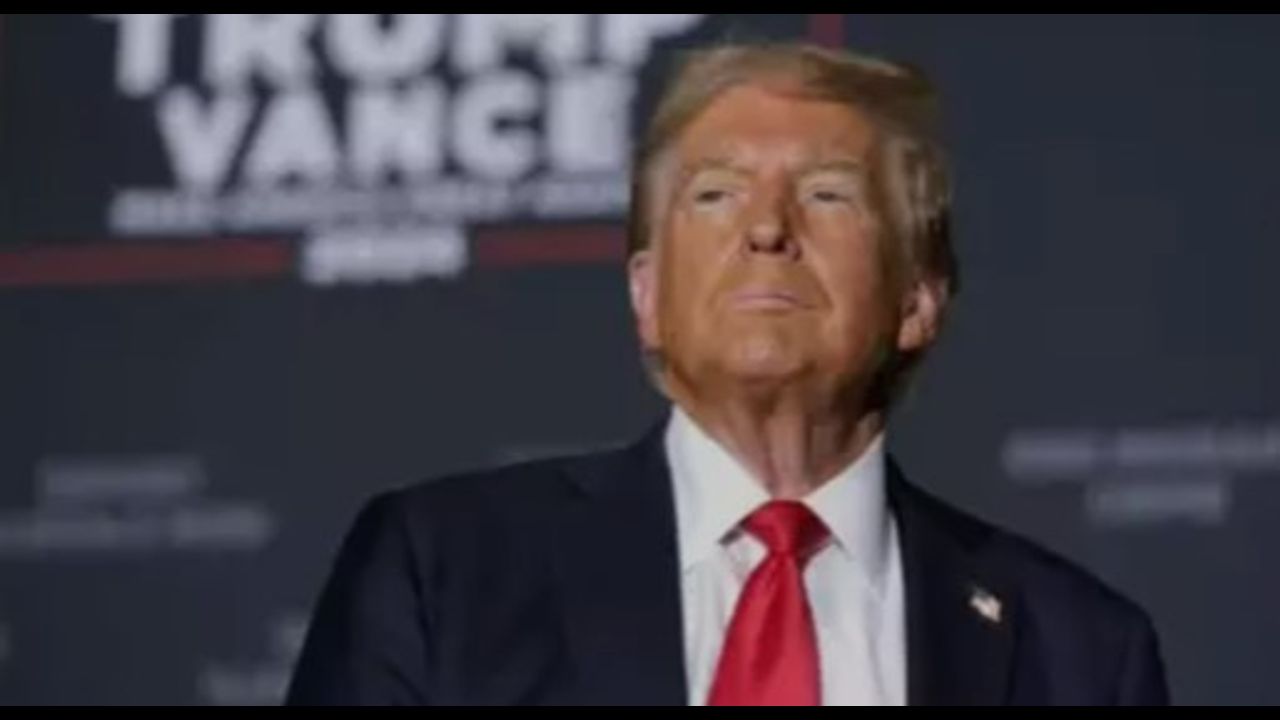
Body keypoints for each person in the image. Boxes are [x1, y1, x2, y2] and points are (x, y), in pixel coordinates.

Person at [285, 42, 1169, 706]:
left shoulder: (1081, 652)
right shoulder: (443, 574)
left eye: (827, 193)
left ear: (917, 300)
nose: (767, 227)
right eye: (715, 194)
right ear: (646, 297)